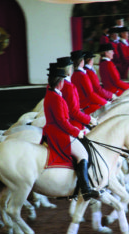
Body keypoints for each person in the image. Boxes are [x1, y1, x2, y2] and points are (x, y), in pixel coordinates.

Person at [43, 63, 100, 201]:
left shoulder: (52, 93)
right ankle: (85, 190)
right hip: (58, 132)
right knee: (83, 155)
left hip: (55, 129)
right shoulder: (56, 97)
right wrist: (76, 132)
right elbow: (62, 121)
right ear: (60, 82)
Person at [56, 56, 97, 130]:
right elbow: (74, 112)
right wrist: (89, 119)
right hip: (71, 122)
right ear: (69, 69)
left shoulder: (58, 84)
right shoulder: (68, 87)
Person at [71, 50, 107, 115]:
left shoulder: (74, 75)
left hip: (83, 106)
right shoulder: (82, 75)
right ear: (82, 61)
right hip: (88, 107)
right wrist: (105, 102)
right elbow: (91, 94)